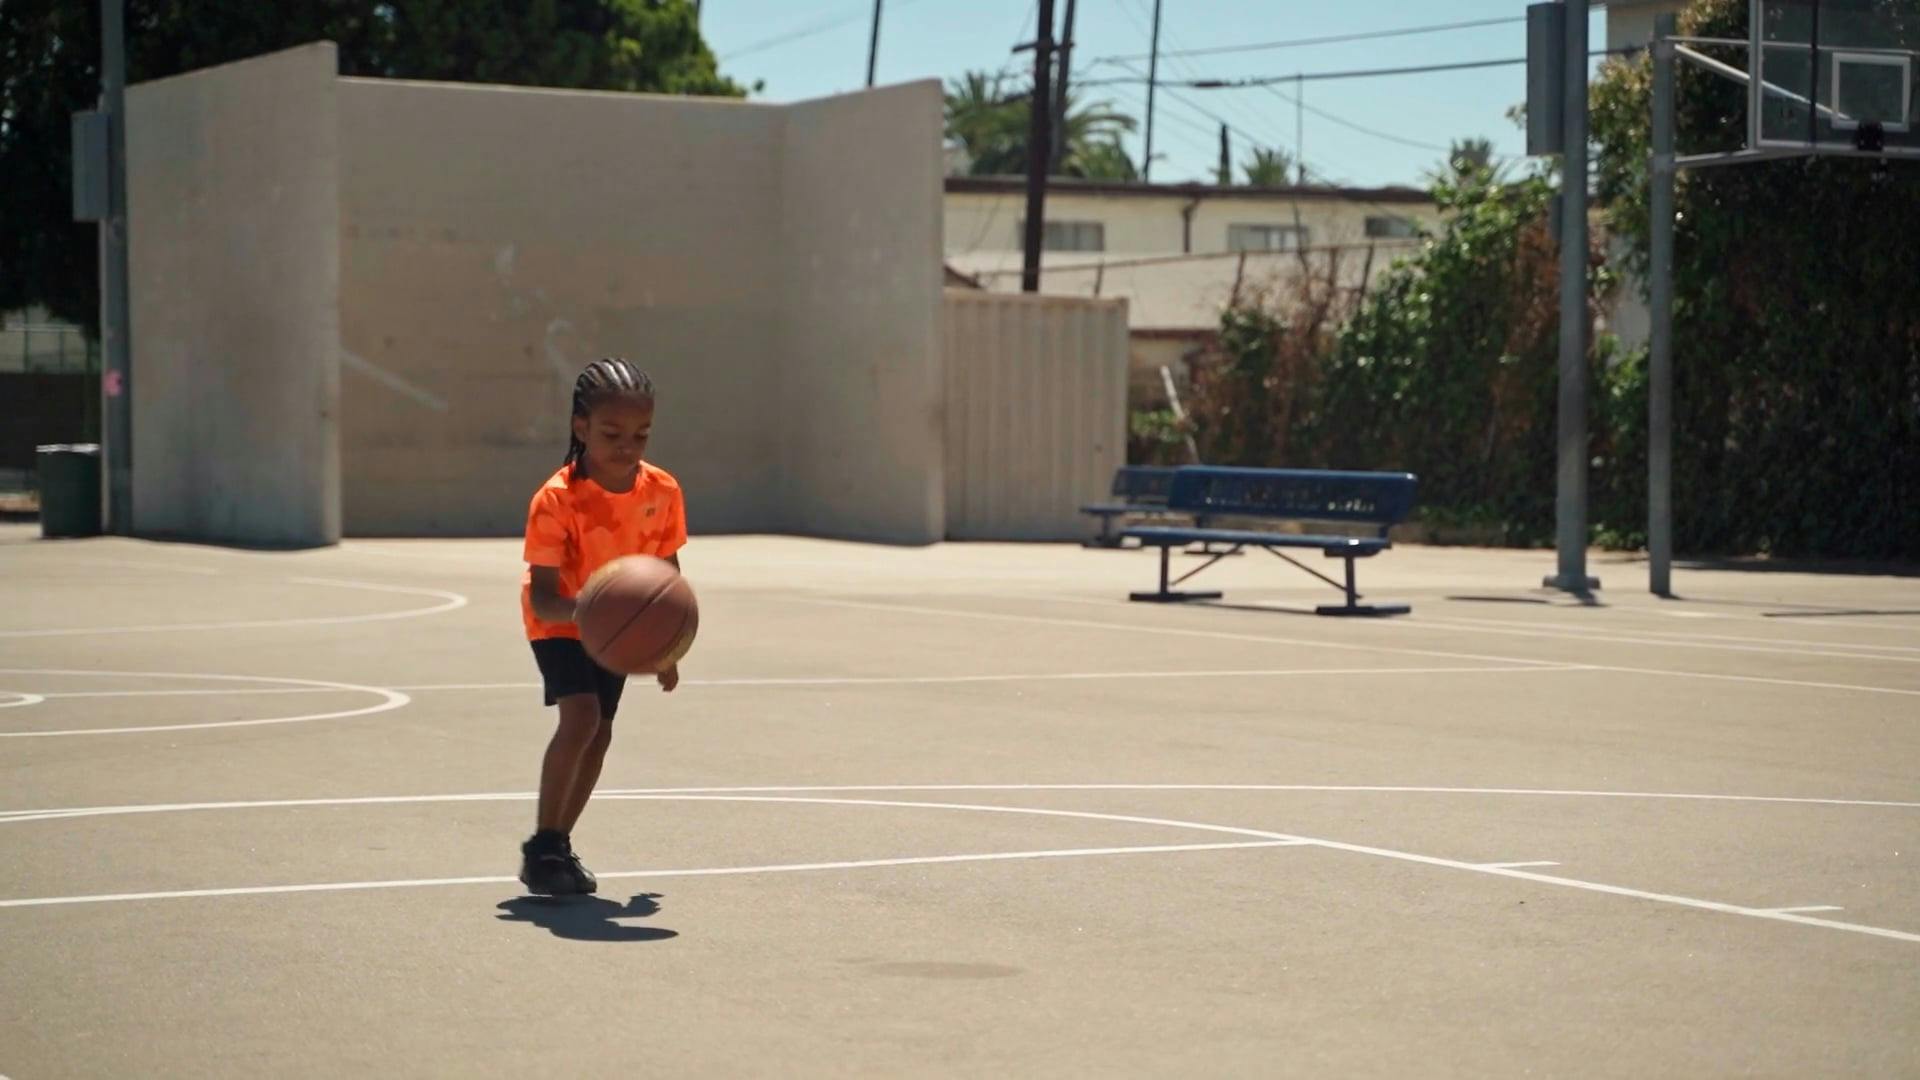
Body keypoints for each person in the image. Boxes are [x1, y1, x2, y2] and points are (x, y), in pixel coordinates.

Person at [518, 358, 686, 896]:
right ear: (581, 427)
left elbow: (667, 578)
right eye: (612, 433)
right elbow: (545, 598)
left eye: (641, 434)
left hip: (618, 630)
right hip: (562, 622)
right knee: (582, 715)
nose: (628, 445)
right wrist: (596, 610)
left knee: (602, 730)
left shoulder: (662, 491)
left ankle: (559, 843)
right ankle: (541, 846)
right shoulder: (556, 499)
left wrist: (667, 645)